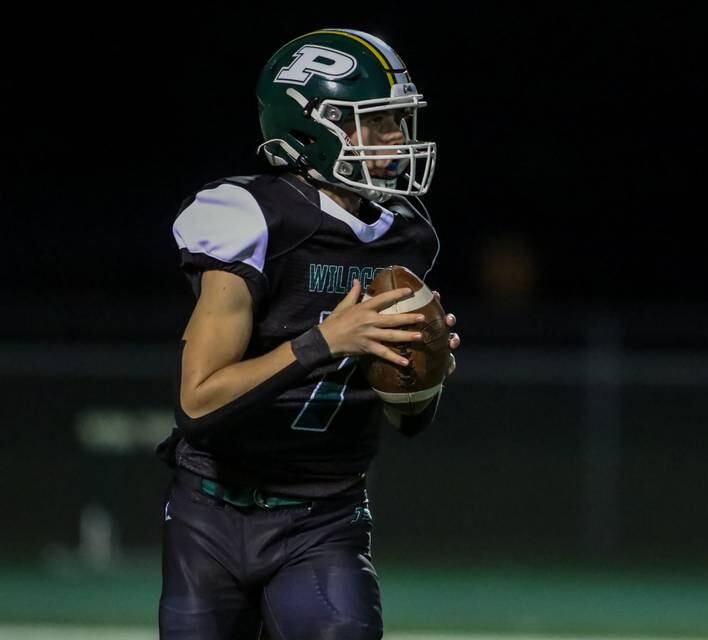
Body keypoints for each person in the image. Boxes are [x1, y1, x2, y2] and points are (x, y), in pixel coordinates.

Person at [155, 28, 460, 640]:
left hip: (326, 515)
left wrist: (423, 377)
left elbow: (409, 423)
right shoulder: (250, 219)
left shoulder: (407, 236)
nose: (398, 141)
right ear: (311, 126)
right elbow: (198, 400)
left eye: (400, 121)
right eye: (377, 123)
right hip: (211, 513)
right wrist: (326, 341)